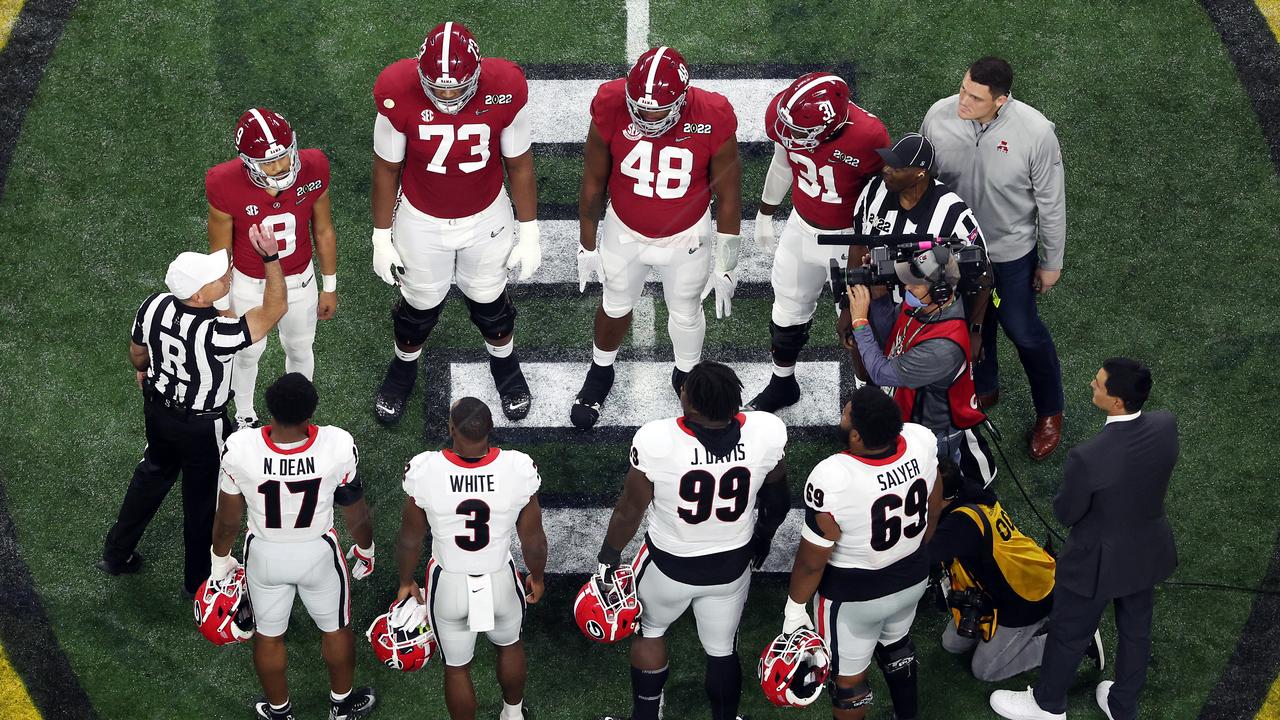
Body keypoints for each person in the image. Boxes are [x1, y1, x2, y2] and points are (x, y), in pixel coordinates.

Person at [98, 222, 286, 597]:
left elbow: (138, 352)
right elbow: (275, 307)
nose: (226, 275)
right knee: (202, 504)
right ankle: (197, 581)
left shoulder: (153, 306)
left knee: (151, 476)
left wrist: (143, 370)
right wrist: (271, 258)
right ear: (201, 295)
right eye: (218, 277)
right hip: (202, 427)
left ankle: (115, 553)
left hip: (158, 411)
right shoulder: (216, 334)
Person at [594, 361, 789, 720]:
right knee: (721, 650)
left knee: (649, 632)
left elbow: (629, 509)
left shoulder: (657, 440)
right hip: (731, 564)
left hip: (669, 565)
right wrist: (763, 536)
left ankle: (646, 717)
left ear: (692, 406)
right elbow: (778, 500)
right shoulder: (766, 431)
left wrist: (608, 556)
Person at [370, 21, 540, 425]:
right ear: (420, 74)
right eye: (438, 86)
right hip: (420, 217)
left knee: (490, 303)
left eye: (455, 86)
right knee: (419, 306)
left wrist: (530, 230)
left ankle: (505, 366)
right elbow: (385, 169)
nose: (447, 96)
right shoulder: (396, 90)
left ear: (478, 73)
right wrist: (380, 236)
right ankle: (403, 367)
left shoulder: (505, 88)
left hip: (486, 215)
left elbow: (518, 164)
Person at [991, 358, 1178, 720]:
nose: (1092, 385)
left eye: (1099, 384)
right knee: (1136, 631)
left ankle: (1048, 706)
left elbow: (1067, 513)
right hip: (1145, 551)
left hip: (1095, 561)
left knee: (1069, 633)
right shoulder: (1165, 425)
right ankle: (1123, 705)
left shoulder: (1089, 457)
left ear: (1117, 402)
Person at [571, 46, 742, 429]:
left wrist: (728, 264)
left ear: (682, 100)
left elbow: (729, 195)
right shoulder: (612, 102)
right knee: (614, 303)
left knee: (685, 311)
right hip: (625, 230)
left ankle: (686, 377)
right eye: (640, 107)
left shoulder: (711, 114)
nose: (647, 117)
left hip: (687, 238)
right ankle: (601, 371)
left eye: (658, 110)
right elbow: (594, 179)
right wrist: (587, 242)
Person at [920, 56, 1067, 460]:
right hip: (954, 252)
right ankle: (985, 387)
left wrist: (1051, 261)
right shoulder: (938, 116)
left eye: (975, 97)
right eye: (963, 88)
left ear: (1001, 100)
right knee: (969, 326)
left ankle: (1050, 411)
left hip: (1010, 253)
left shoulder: (1036, 133)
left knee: (1022, 330)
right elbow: (923, 183)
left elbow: (1051, 204)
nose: (962, 101)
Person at [210, 373, 377, 720]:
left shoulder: (241, 449)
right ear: (310, 412)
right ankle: (341, 705)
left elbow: (227, 520)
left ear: (270, 410)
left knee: (269, 636)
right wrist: (366, 547)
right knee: (335, 627)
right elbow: (354, 508)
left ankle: (280, 712)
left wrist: (219, 561)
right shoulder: (337, 445)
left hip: (264, 554)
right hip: (317, 552)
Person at [781, 386, 942, 720]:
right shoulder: (920, 442)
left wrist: (794, 609)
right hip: (912, 575)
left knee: (848, 685)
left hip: (853, 597)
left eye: (846, 412)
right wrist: (917, 547)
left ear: (856, 435)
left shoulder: (833, 477)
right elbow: (935, 496)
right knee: (897, 647)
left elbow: (812, 562)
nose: (842, 413)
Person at [745, 72, 889, 413]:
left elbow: (882, 199)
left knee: (857, 324)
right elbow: (783, 163)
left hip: (847, 241)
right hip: (801, 225)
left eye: (799, 132)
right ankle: (783, 383)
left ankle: (866, 403)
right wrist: (766, 211)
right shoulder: (789, 116)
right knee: (786, 311)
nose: (789, 135)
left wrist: (865, 251)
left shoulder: (869, 136)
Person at [396, 397, 547, 720]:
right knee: (510, 645)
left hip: (449, 583)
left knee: (456, 667)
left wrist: (406, 580)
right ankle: (513, 714)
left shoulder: (426, 470)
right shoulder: (517, 468)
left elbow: (410, 537)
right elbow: (532, 539)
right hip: (500, 579)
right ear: (491, 431)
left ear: (451, 429)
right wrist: (537, 576)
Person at [207, 108, 338, 429]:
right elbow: (220, 252)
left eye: (283, 156)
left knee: (299, 347)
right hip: (249, 283)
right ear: (247, 162)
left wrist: (330, 285)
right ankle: (244, 415)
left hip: (299, 280)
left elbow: (323, 230)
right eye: (268, 162)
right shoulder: (224, 182)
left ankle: (297, 417)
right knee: (248, 351)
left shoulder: (314, 166)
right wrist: (222, 304)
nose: (280, 166)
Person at [845, 213, 997, 485]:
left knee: (930, 485)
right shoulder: (930, 305)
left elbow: (880, 372)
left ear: (940, 292)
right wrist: (879, 299)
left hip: (931, 434)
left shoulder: (943, 347)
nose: (907, 286)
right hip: (911, 409)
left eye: (915, 283)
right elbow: (895, 331)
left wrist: (859, 321)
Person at [927, 461, 1100, 682]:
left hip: (1025, 599)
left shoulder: (959, 525)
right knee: (952, 644)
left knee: (984, 670)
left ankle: (1074, 639)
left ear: (943, 497)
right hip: (1000, 586)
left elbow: (920, 557)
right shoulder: (968, 492)